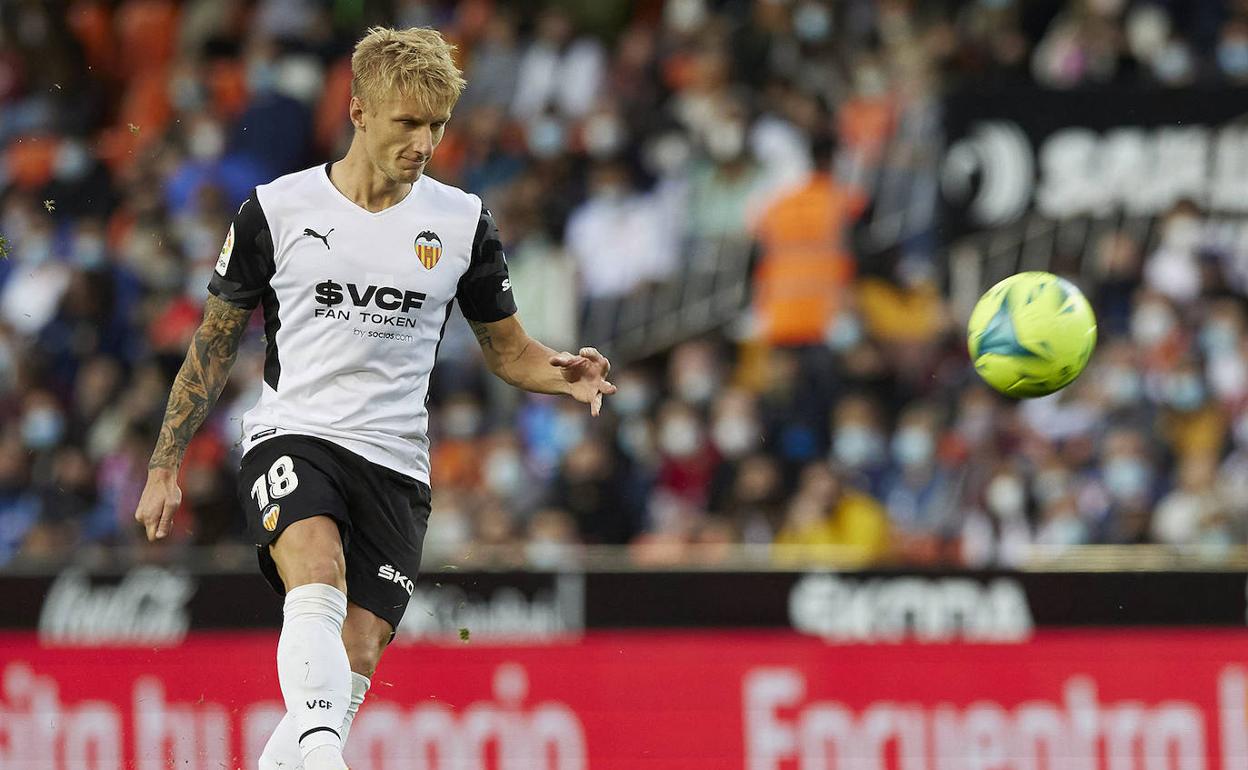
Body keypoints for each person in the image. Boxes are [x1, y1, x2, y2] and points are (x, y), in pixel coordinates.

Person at [132, 27, 615, 770]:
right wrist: (165, 462)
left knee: (351, 660)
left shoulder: (461, 224)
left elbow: (510, 351)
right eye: (407, 123)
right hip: (295, 435)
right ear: (359, 112)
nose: (424, 142)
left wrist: (564, 372)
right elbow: (214, 343)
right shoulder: (276, 209)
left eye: (437, 126)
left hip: (395, 464)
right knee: (315, 571)